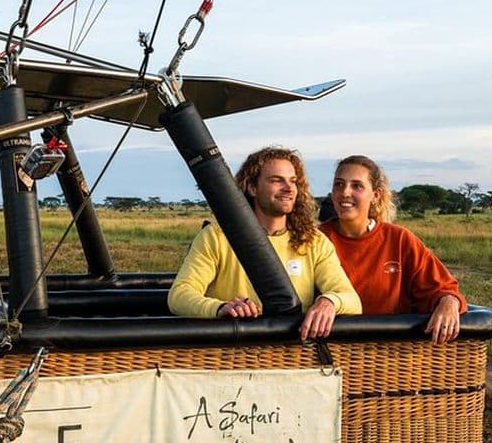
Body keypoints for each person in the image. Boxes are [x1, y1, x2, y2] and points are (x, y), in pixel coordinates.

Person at [168, 147, 361, 340]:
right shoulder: (218, 237)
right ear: (252, 187)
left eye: (293, 181)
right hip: (232, 352)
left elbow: (351, 300)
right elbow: (180, 295)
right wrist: (219, 308)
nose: (288, 188)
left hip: (291, 354)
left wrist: (329, 301)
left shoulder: (313, 241)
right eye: (277, 180)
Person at [319, 155, 467, 345]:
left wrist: (449, 302)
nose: (345, 192)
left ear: (376, 195)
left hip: (391, 354)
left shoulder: (399, 240)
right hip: (330, 349)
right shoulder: (315, 240)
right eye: (339, 184)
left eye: (357, 186)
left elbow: (442, 288)